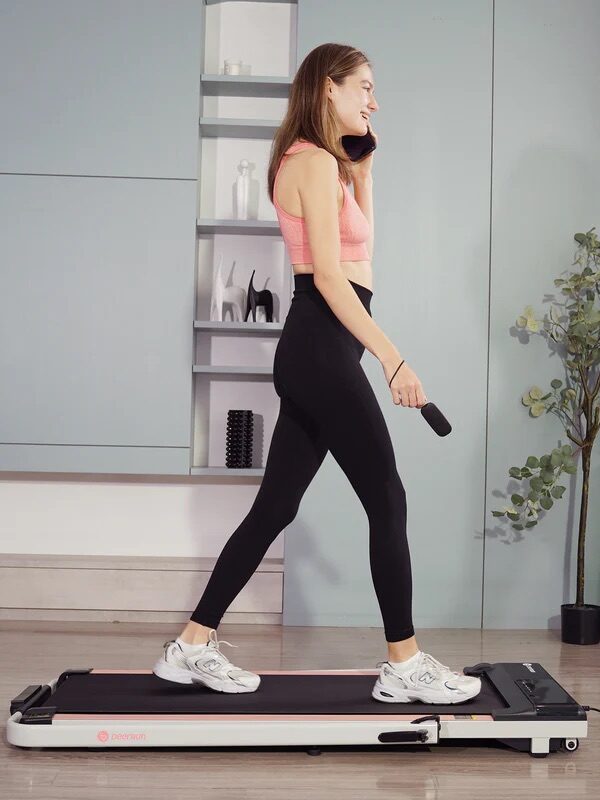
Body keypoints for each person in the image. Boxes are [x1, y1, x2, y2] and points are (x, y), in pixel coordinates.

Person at [153, 43, 482, 705]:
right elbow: (330, 279)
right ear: (327, 88)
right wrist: (394, 357)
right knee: (387, 497)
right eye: (363, 86)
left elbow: (362, 260)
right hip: (320, 349)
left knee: (275, 506)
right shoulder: (306, 163)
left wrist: (363, 170)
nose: (374, 99)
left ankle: (189, 646)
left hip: (327, 349)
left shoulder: (330, 167)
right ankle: (404, 662)